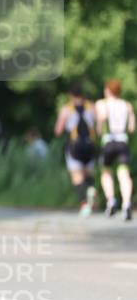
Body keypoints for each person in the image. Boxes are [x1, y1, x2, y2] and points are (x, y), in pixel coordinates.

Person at [54, 83, 97, 216]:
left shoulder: (67, 109)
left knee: (77, 176)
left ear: (70, 95)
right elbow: (99, 125)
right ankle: (91, 189)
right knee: (88, 173)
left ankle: (83, 204)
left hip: (74, 147)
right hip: (90, 146)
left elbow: (58, 131)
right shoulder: (92, 107)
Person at [95, 79, 134, 221]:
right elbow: (131, 128)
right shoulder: (127, 105)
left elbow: (99, 127)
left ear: (108, 90)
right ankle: (126, 203)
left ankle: (111, 200)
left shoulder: (102, 104)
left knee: (106, 172)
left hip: (108, 141)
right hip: (122, 141)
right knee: (124, 174)